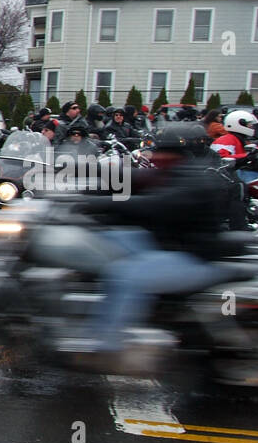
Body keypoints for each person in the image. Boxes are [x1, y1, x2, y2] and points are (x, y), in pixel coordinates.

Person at [71, 123, 241, 356]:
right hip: (167, 243)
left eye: (160, 151)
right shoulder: (174, 171)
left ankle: (105, 345)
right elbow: (135, 177)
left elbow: (155, 204)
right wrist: (85, 172)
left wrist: (98, 204)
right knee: (102, 240)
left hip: (193, 256)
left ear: (175, 153)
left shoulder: (194, 180)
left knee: (124, 274)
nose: (155, 156)